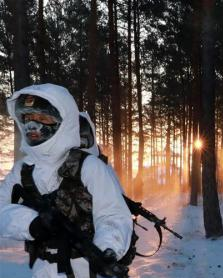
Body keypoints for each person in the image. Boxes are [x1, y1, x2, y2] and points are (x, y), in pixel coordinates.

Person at [0, 84, 133, 278]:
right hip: (42, 269)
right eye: (27, 118)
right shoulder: (22, 170)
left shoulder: (88, 166)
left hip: (85, 270)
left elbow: (113, 215)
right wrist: (31, 223)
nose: (32, 126)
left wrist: (107, 250)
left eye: (42, 118)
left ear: (62, 121)